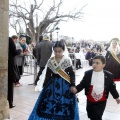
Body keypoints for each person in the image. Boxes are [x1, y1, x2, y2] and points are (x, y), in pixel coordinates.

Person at [28, 40, 80, 120]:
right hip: (52, 84)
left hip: (65, 85)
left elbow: (72, 74)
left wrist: (72, 85)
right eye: (55, 51)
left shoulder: (67, 60)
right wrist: (45, 85)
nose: (57, 53)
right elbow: (48, 74)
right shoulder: (51, 60)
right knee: (49, 104)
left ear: (63, 50)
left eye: (59, 51)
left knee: (64, 104)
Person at [71, 55, 120, 120]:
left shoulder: (109, 75)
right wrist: (76, 89)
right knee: (91, 115)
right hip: (90, 100)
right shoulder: (88, 73)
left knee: (97, 116)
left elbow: (112, 88)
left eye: (97, 63)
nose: (94, 64)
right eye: (93, 62)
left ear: (103, 65)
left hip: (101, 101)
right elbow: (82, 84)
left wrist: (116, 97)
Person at [8, 37, 21, 108]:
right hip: (9, 65)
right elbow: (14, 51)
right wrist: (19, 51)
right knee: (9, 85)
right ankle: (10, 102)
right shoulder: (8, 39)